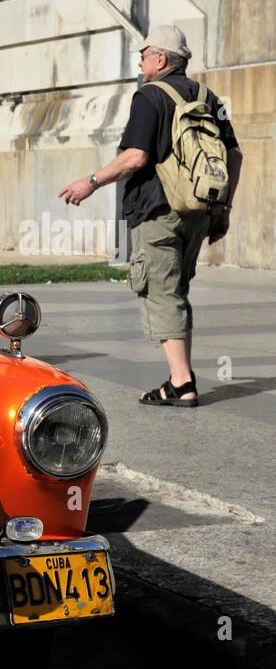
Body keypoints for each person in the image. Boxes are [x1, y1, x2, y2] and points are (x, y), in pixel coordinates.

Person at [59, 25, 242, 407]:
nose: (140, 61)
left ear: (159, 59)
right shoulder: (210, 97)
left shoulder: (149, 96)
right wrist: (223, 209)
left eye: (143, 55)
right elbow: (234, 155)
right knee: (177, 291)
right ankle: (180, 377)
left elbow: (136, 157)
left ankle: (181, 382)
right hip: (198, 209)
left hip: (158, 210)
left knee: (160, 292)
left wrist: (90, 181)